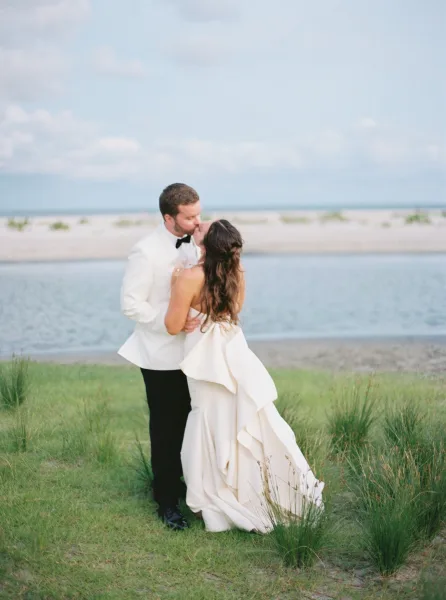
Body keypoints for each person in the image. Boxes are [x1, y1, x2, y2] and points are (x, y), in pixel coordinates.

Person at [164, 219, 324, 533]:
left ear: (206, 244)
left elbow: (172, 326)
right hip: (234, 350)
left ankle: (214, 495)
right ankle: (258, 491)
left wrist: (174, 285)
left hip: (204, 357)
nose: (196, 226)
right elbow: (234, 309)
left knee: (209, 419)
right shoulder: (237, 272)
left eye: (200, 229)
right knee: (244, 418)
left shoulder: (189, 277)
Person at [118, 183, 202, 531]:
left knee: (191, 423)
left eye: (199, 213)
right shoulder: (145, 251)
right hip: (158, 356)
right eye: (190, 216)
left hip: (194, 352)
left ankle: (188, 486)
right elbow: (130, 305)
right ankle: (166, 502)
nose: (198, 222)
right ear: (169, 218)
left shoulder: (198, 242)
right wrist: (171, 322)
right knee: (166, 429)